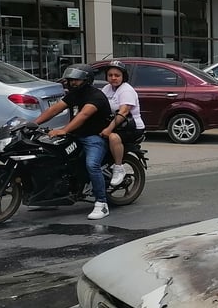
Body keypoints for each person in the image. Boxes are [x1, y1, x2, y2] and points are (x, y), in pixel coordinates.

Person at [33, 64, 114, 220]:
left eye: (76, 80)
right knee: (50, 157)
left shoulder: (95, 96)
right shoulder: (73, 94)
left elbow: (83, 115)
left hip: (94, 137)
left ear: (86, 80)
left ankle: (102, 203)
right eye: (70, 80)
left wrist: (64, 130)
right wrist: (34, 124)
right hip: (75, 136)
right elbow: (54, 109)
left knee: (92, 165)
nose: (72, 83)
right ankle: (50, 196)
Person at [100, 60, 145, 186]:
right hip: (117, 125)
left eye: (117, 75)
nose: (113, 78)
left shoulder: (126, 91)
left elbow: (123, 112)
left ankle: (119, 167)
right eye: (110, 75)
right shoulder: (107, 88)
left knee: (113, 138)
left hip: (131, 126)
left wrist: (108, 129)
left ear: (123, 76)